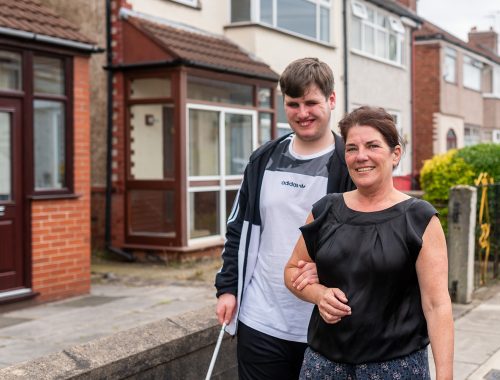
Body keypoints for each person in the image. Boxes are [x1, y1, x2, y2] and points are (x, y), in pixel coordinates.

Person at [284, 105, 454, 379]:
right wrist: (318, 295)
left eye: (373, 146)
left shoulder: (419, 218)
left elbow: (437, 305)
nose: (360, 156)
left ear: (395, 153)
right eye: (352, 148)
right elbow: (291, 271)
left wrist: (445, 376)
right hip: (323, 365)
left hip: (396, 368)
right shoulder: (325, 210)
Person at [214, 57, 355, 380]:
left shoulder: (348, 163)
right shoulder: (263, 159)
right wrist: (227, 288)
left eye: (311, 102)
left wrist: (331, 265)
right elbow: (238, 229)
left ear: (331, 101)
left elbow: (365, 236)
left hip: (322, 322)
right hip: (260, 319)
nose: (302, 113)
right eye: (293, 104)